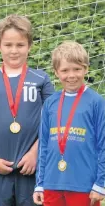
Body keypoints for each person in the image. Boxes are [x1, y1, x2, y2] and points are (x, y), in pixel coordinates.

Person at [0, 14, 55, 206]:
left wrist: (35, 153)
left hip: (32, 167)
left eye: (20, 45)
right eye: (8, 45)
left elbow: (52, 122)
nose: (14, 51)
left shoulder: (41, 80)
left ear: (30, 46)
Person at [33, 41, 105, 206]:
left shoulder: (96, 102)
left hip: (84, 185)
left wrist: (101, 183)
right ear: (56, 72)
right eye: (65, 70)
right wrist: (40, 183)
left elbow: (103, 145)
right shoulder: (50, 103)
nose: (71, 75)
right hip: (52, 183)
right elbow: (43, 145)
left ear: (86, 69)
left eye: (77, 69)